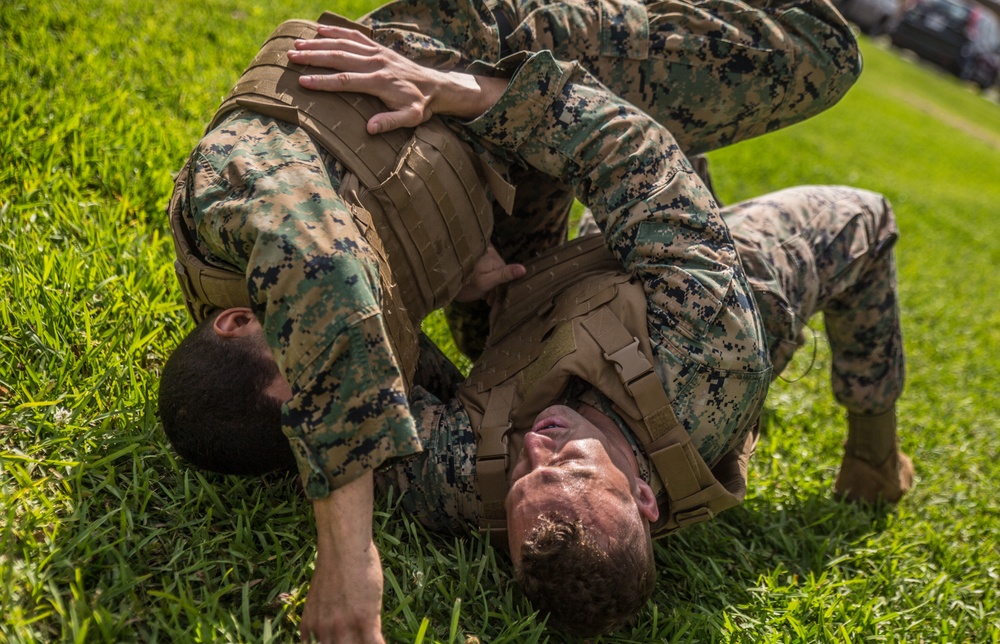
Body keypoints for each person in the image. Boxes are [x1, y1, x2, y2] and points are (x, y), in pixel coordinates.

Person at [158, 1, 862, 640]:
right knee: (489, 328)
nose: (540, 447)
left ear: (234, 318)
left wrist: (349, 564)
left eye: (315, 370)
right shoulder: (690, 368)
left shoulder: (238, 202)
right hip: (510, 174)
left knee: (821, 50)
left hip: (472, 53)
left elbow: (328, 285)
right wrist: (443, 257)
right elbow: (386, 390)